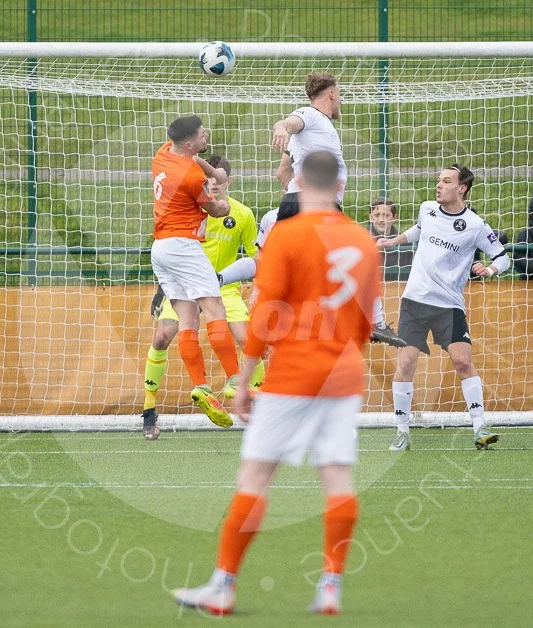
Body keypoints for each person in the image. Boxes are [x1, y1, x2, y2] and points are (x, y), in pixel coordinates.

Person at [172, 151, 379, 616]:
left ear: (300, 182)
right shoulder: (363, 241)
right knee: (337, 477)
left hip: (294, 370)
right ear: (340, 187)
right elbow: (367, 320)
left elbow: (265, 315)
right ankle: (330, 587)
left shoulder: (287, 234)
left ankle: (223, 587)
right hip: (344, 372)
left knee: (257, 476)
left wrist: (243, 382)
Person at [261, 71, 402, 346]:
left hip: (299, 204)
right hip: (315, 207)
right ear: (331, 94)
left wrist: (294, 194)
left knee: (301, 273)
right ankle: (375, 324)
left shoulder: (317, 129)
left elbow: (282, 171)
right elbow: (291, 122)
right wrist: (281, 126)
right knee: (360, 257)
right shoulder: (311, 116)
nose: (341, 102)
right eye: (340, 96)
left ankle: (287, 324)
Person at [377, 164, 511, 452]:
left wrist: (489, 270)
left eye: (446, 181)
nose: (439, 185)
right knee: (405, 364)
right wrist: (393, 241)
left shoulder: (475, 225)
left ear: (461, 188)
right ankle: (402, 432)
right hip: (414, 301)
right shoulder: (427, 208)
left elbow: (503, 257)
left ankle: (479, 428)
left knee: (463, 362)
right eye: (439, 180)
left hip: (449, 305)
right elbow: (418, 230)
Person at [142, 154, 264, 439]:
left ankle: (252, 407)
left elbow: (257, 255)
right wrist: (163, 290)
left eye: (218, 180)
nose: (213, 185)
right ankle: (149, 411)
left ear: (228, 181)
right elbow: (171, 253)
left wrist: (261, 286)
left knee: (249, 339)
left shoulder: (242, 214)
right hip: (186, 286)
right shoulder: (189, 207)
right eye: (207, 180)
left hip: (225, 288)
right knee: (162, 336)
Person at [149, 114, 242, 428]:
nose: (207, 136)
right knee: (214, 308)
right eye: (202, 134)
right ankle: (234, 380)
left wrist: (210, 168)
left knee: (187, 318)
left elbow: (194, 162)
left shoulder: (163, 154)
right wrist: (224, 193)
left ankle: (201, 386)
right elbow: (215, 210)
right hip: (184, 245)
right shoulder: (191, 178)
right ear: (190, 144)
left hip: (160, 248)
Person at [367, 196, 414, 277]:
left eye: (386, 215)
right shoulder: (362, 240)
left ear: (394, 217)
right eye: (377, 215)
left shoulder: (405, 243)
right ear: (370, 217)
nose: (381, 219)